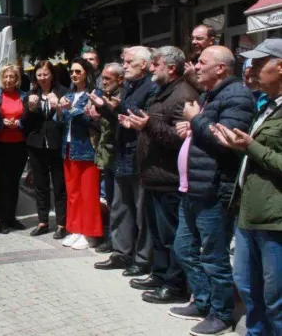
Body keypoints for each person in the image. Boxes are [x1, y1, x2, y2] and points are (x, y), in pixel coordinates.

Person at [170, 45, 254, 336]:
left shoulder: (238, 95)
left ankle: (221, 313)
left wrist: (196, 120)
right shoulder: (210, 95)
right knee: (184, 248)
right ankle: (203, 301)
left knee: (213, 256)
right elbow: (209, 131)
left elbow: (226, 141)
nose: (196, 66)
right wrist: (191, 128)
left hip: (214, 191)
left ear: (220, 68)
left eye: (202, 62)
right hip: (192, 187)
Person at [210, 39, 282, 335]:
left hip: (274, 220)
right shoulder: (265, 105)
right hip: (249, 213)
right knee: (248, 288)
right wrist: (237, 145)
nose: (250, 69)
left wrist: (251, 146)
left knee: (275, 299)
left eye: (259, 62)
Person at [120, 46, 198, 304]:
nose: (151, 68)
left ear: (171, 68)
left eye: (156, 64)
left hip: (169, 179)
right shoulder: (164, 92)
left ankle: (175, 285)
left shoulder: (183, 95)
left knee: (171, 235)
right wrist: (139, 125)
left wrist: (149, 125)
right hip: (154, 176)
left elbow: (180, 138)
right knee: (158, 234)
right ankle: (161, 273)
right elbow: (156, 127)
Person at [92, 46, 158, 276]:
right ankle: (121, 252)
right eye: (125, 62)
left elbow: (144, 119)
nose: (125, 65)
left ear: (144, 64)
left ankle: (142, 259)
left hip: (140, 156)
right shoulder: (130, 85)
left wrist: (119, 108)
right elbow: (121, 118)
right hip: (123, 154)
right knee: (120, 206)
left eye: (129, 62)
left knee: (141, 210)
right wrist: (104, 109)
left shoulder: (152, 86)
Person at [59, 57, 103, 250]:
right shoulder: (69, 94)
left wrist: (72, 110)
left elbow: (92, 121)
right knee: (73, 193)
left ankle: (90, 233)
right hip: (68, 148)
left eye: (78, 71)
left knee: (89, 193)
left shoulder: (94, 94)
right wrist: (59, 110)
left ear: (86, 73)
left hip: (86, 149)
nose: (74, 75)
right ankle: (76, 229)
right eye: (72, 72)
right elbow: (61, 120)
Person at [23, 60, 69, 238]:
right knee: (40, 185)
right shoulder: (31, 95)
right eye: (39, 75)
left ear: (52, 75)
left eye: (45, 74)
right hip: (36, 145)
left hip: (56, 144)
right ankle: (42, 221)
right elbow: (25, 124)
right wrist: (31, 109)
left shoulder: (63, 92)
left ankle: (61, 223)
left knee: (59, 185)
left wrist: (58, 108)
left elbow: (66, 120)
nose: (42, 78)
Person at [86, 62, 125, 253]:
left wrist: (106, 110)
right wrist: (95, 117)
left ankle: (118, 243)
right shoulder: (105, 96)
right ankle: (113, 239)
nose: (103, 83)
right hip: (106, 156)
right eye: (102, 79)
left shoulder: (121, 98)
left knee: (119, 203)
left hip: (118, 156)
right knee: (110, 200)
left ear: (120, 79)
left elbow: (120, 124)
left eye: (108, 79)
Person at [0, 64, 28, 233]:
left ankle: (12, 217)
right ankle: (3, 220)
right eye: (5, 77)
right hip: (1, 144)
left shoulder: (24, 96)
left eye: (12, 77)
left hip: (19, 145)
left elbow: (28, 119)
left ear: (17, 79)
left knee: (15, 183)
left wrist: (19, 123)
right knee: (2, 183)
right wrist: (2, 123)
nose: (8, 80)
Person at [184, 24, 216, 91]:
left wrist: (192, 76)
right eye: (192, 38)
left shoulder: (218, 59)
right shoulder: (192, 59)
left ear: (211, 41)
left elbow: (211, 90)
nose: (193, 42)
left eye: (199, 38)